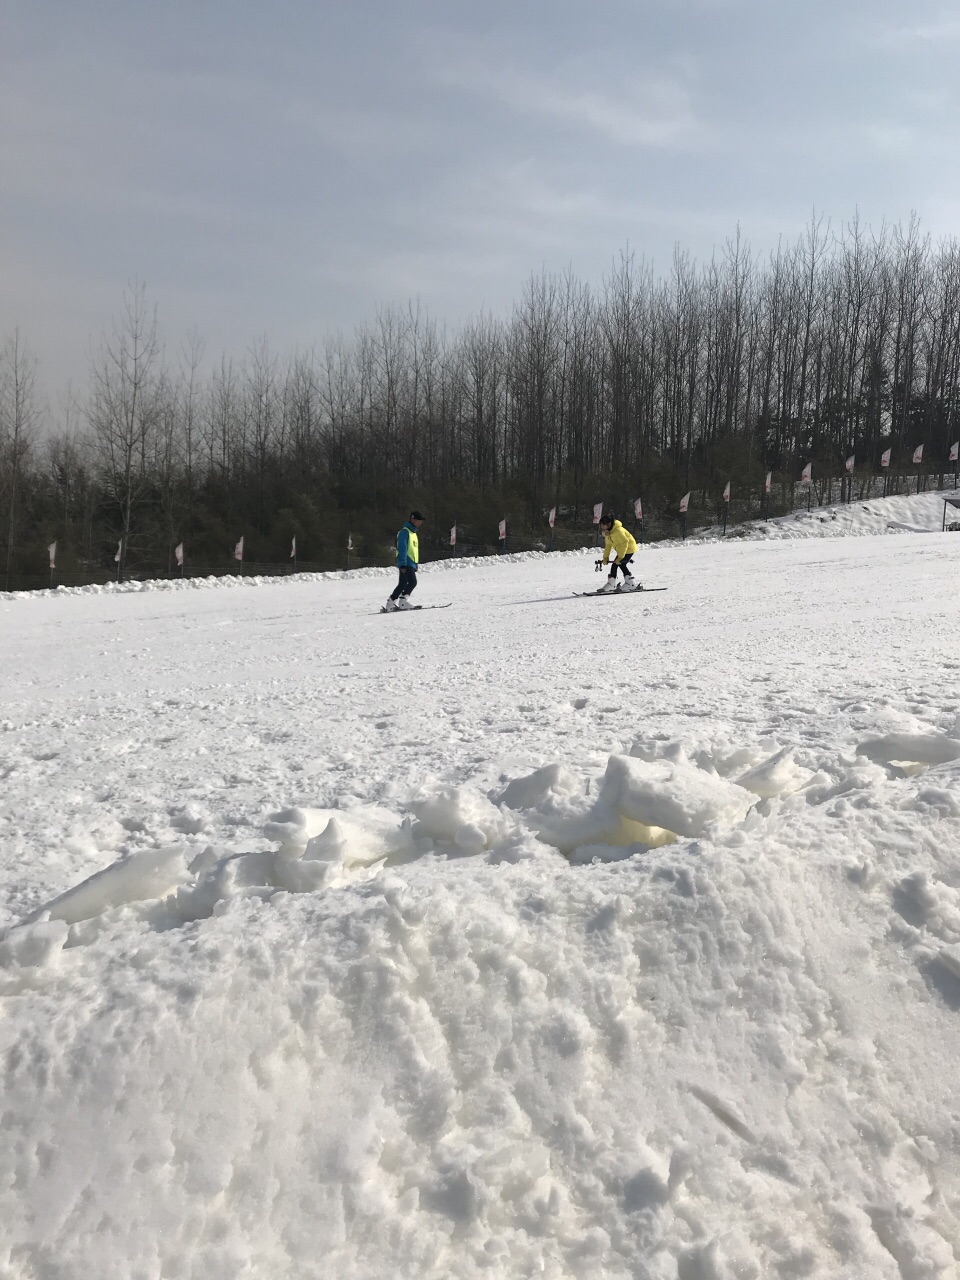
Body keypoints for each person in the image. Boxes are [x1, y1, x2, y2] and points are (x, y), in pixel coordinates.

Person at [384, 511, 425, 611]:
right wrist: (402, 564)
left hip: (410, 563)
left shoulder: (413, 533)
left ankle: (391, 603)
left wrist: (415, 564)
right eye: (418, 520)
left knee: (402, 584)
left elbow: (413, 550)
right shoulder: (405, 532)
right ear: (413, 519)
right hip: (406, 562)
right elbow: (402, 547)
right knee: (412, 582)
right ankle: (403, 602)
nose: (420, 523)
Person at [597, 512, 639, 592]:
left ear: (608, 524)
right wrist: (605, 557)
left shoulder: (617, 531)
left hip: (629, 548)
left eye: (603, 525)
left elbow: (625, 543)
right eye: (601, 525)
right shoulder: (608, 533)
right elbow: (608, 546)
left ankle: (631, 583)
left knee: (621, 564)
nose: (602, 527)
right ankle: (611, 584)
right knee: (615, 565)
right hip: (622, 549)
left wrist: (620, 557)